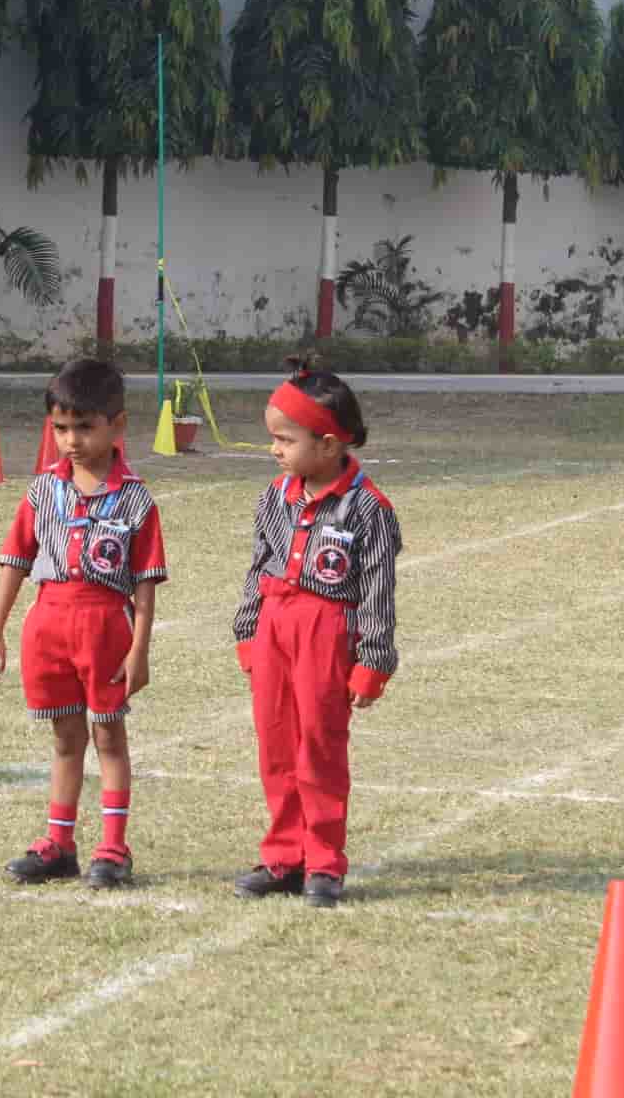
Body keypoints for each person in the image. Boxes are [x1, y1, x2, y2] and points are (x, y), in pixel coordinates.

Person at [0, 359, 166, 889]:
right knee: (65, 738)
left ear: (117, 425)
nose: (71, 440)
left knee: (108, 735)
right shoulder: (43, 491)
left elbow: (144, 583)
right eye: (61, 428)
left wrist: (139, 649)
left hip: (105, 626)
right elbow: (15, 561)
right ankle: (59, 843)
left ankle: (113, 846)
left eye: (84, 427)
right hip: (49, 623)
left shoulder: (135, 498)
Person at [232, 356, 402, 909]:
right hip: (275, 625)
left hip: (327, 632)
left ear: (328, 445)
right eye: (273, 439)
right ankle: (284, 856)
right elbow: (258, 565)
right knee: (276, 742)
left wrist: (373, 660)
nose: (275, 450)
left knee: (320, 747)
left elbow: (377, 589)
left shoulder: (368, 509)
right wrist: (248, 629)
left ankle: (323, 860)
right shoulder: (274, 497)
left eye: (286, 440)